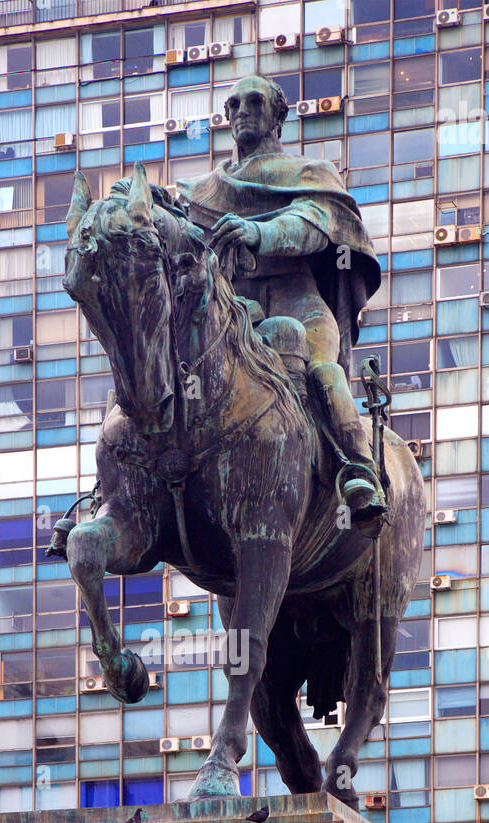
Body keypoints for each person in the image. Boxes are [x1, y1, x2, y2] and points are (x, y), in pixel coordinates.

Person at [178, 74, 387, 537]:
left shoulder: (310, 174)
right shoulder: (202, 190)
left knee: (321, 370)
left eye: (255, 102)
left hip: (298, 299)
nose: (242, 111)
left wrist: (260, 233)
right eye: (233, 105)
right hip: (234, 308)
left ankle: (358, 469)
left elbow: (314, 224)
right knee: (170, 376)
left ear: (279, 116)